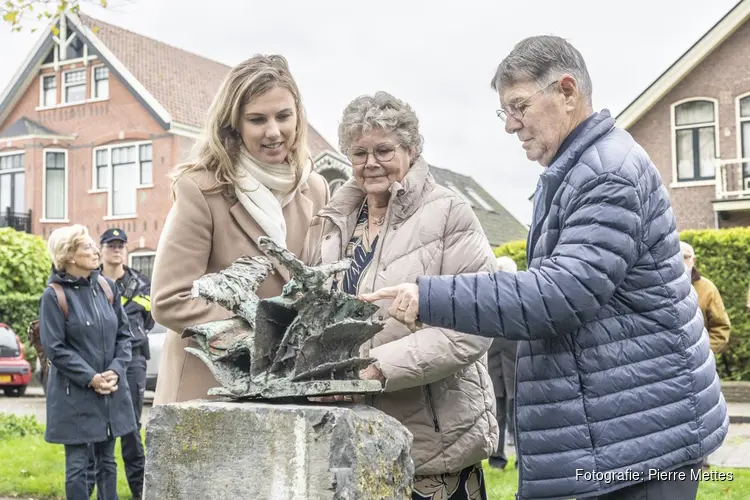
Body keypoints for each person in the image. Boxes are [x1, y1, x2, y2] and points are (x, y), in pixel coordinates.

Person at [361, 36, 729, 500]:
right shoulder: (579, 170)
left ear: (568, 91)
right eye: (504, 112)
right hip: (622, 432)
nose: (511, 126)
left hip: (639, 446)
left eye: (518, 106)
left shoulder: (606, 173)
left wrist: (429, 296)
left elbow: (559, 296)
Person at [303, 91, 498, 500]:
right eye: (359, 152)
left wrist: (374, 370)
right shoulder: (337, 222)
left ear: (411, 149)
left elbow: (473, 327)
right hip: (357, 438)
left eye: (384, 149)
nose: (370, 162)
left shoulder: (450, 213)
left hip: (433, 447)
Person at [151, 54, 330, 404]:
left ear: (298, 116)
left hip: (285, 391)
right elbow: (169, 301)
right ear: (234, 124)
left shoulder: (316, 188)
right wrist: (267, 330)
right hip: (206, 390)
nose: (274, 131)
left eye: (283, 116)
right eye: (257, 119)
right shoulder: (201, 189)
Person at [39, 225, 136, 500]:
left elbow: (124, 336)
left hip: (110, 391)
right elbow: (55, 349)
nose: (96, 251)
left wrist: (116, 371)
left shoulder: (107, 287)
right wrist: (92, 378)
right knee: (79, 466)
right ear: (69, 255)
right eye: (87, 247)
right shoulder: (53, 296)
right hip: (75, 395)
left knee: (107, 461)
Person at [89, 227, 153, 499]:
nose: (116, 249)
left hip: (133, 360)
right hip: (98, 361)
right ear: (101, 250)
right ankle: (90, 489)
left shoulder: (141, 283)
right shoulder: (90, 282)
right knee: (96, 428)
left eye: (121, 245)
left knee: (130, 430)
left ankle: (140, 492)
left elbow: (148, 320)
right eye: (111, 245)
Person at [487, 256, 518, 471]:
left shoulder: (518, 297)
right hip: (496, 359)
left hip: (513, 359)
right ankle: (498, 458)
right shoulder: (490, 298)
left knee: (513, 410)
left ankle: (518, 459)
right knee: (501, 409)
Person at [681, 242, 730, 354]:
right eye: (677, 257)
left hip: (698, 363)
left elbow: (721, 328)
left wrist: (701, 353)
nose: (681, 262)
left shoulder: (707, 288)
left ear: (693, 260)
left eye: (685, 257)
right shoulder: (658, 288)